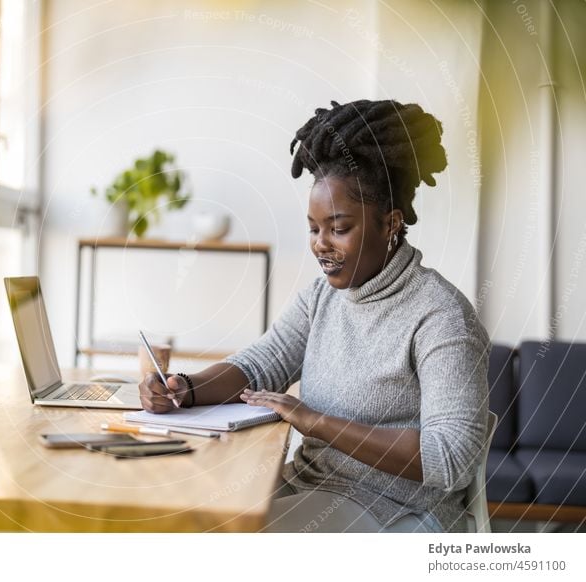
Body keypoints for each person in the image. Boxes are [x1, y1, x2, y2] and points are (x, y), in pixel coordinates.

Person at [138, 99, 490, 533]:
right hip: (311, 490)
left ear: (390, 223)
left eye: (339, 228)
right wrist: (185, 389)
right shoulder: (321, 299)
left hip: (398, 514)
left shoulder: (441, 317)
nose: (321, 244)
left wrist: (317, 423)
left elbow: (450, 457)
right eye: (313, 228)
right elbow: (257, 366)